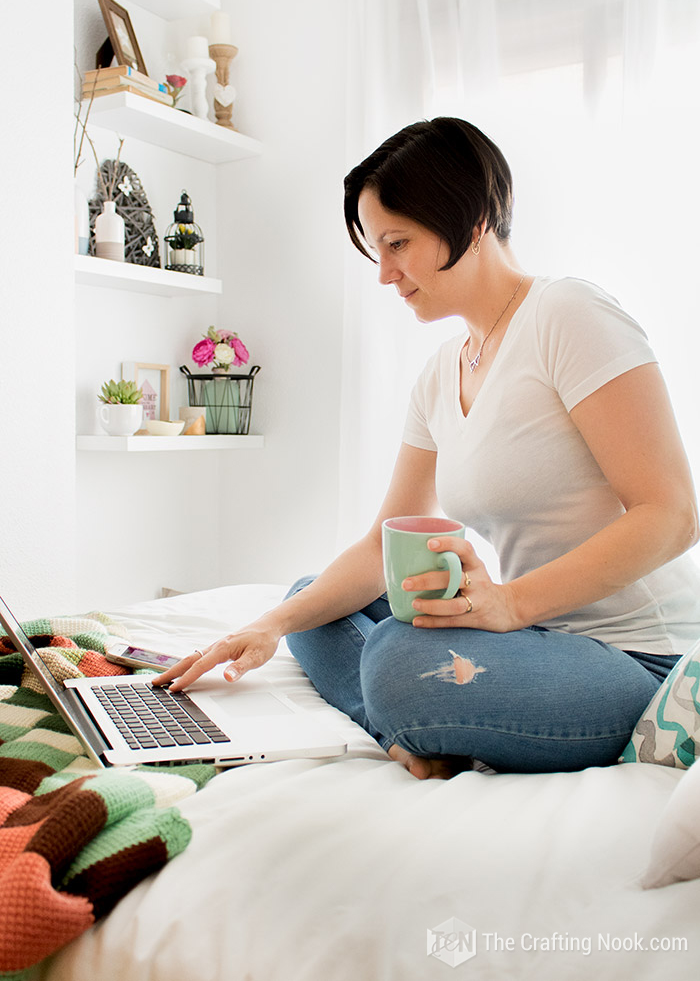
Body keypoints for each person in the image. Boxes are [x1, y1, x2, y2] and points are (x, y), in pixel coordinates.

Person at [155, 117, 700, 778]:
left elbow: (671, 514)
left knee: (396, 659)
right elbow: (384, 540)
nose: (384, 273)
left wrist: (511, 602)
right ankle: (405, 736)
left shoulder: (569, 315)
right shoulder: (444, 371)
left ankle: (405, 709)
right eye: (376, 249)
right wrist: (269, 624)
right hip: (536, 642)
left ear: (470, 221)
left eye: (398, 243)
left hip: (635, 665)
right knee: (310, 602)